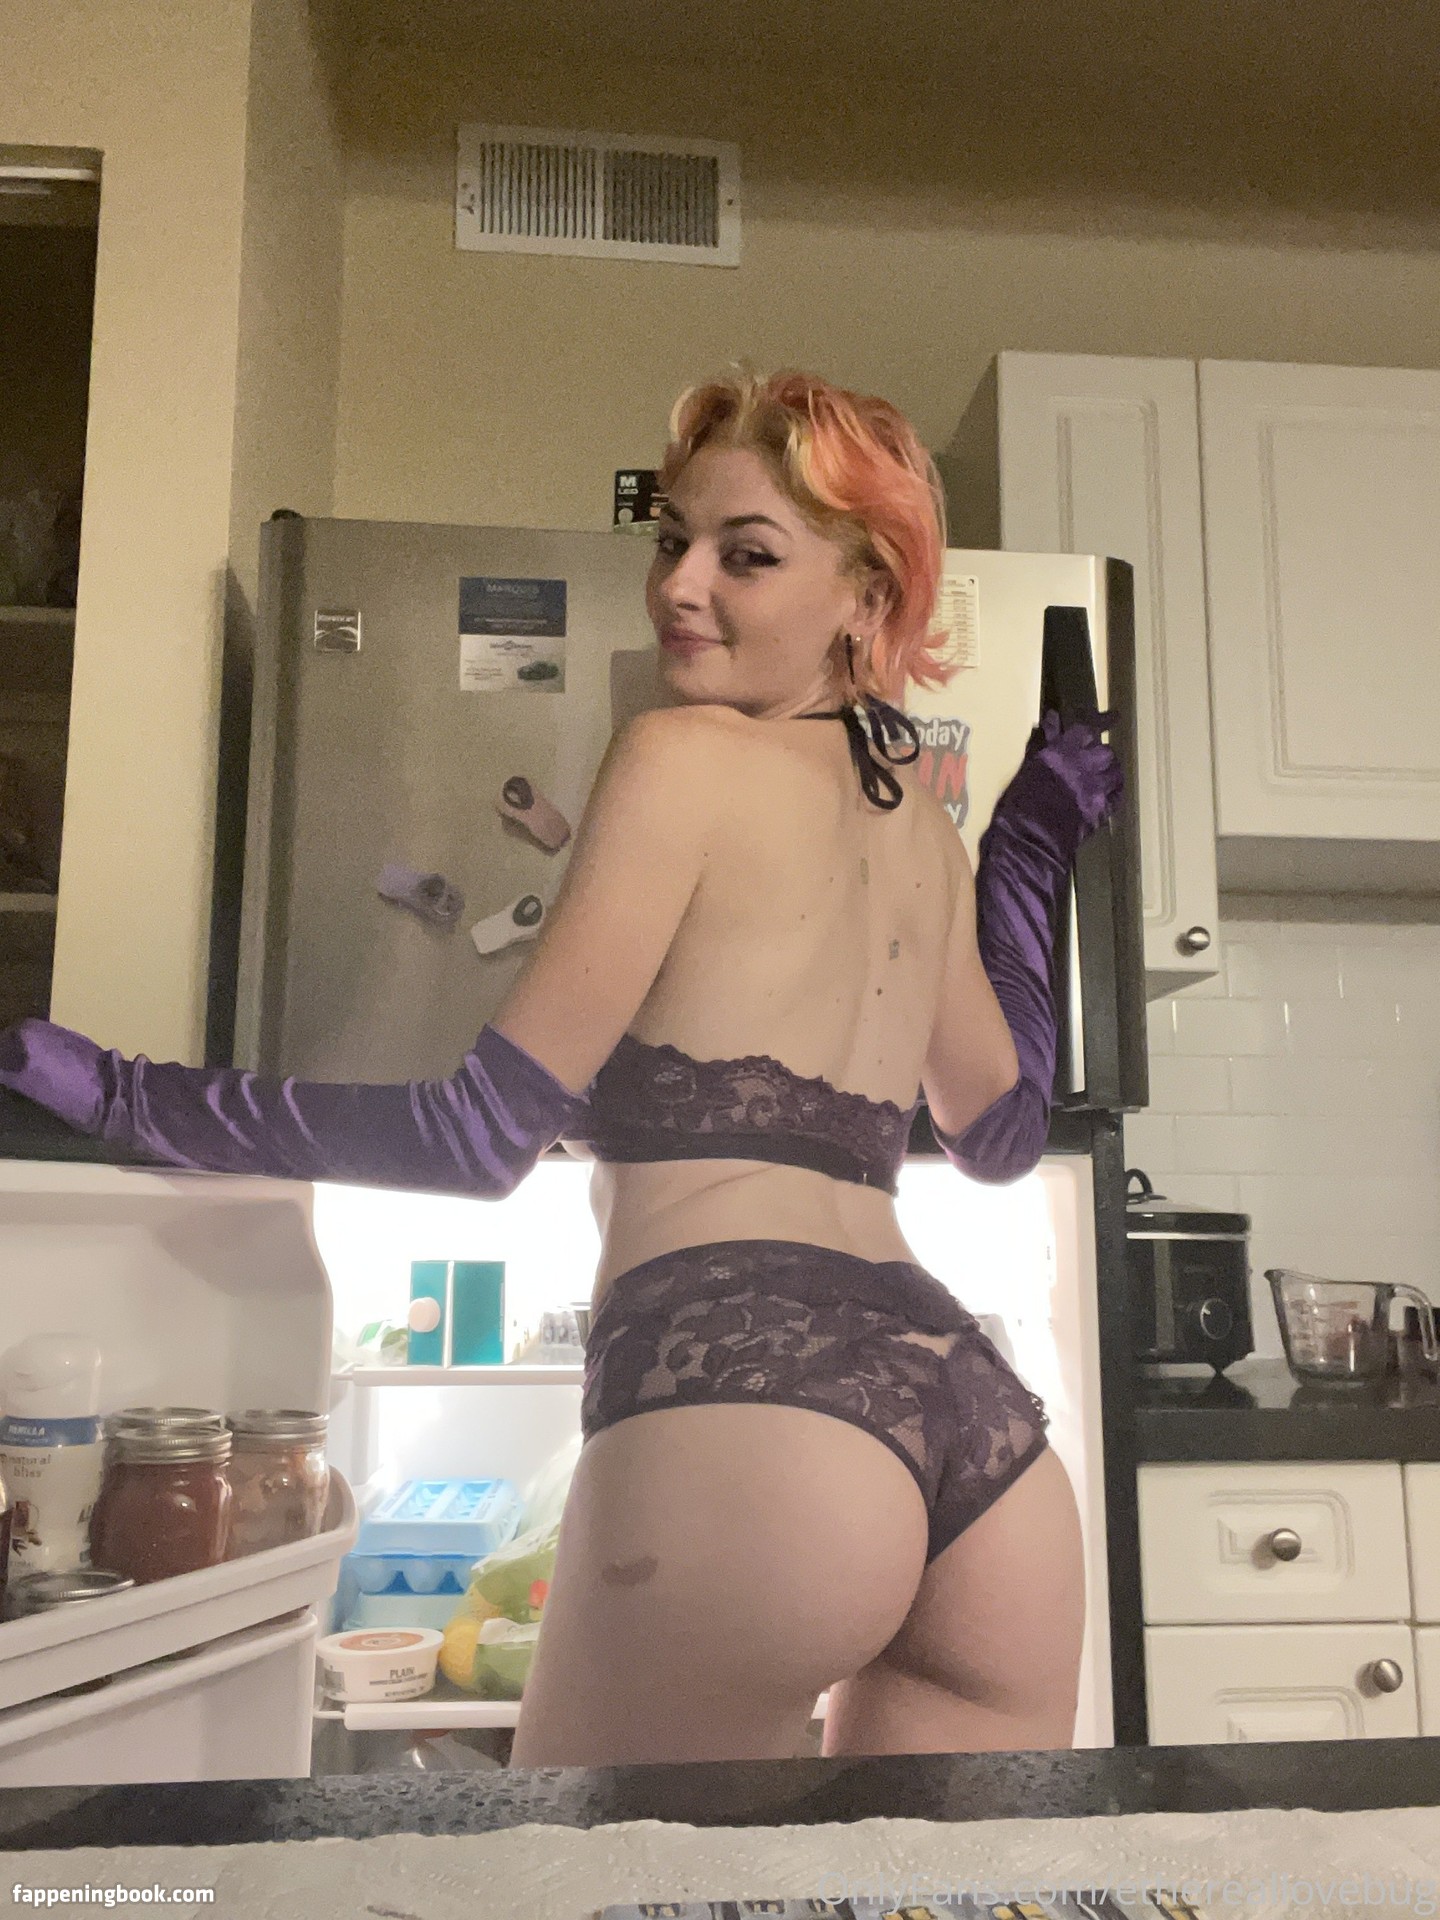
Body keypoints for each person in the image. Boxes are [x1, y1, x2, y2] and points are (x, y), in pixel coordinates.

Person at [0, 368, 1121, 1766]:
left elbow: (476, 1137)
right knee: (924, 1883)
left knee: (590, 1878)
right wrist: (1031, 843)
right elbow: (1002, 1133)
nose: (680, 587)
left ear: (866, 593)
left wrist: (129, 1097)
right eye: (673, 539)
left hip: (753, 1415)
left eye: (746, 555)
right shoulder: (924, 832)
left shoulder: (679, 757)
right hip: (979, 1432)